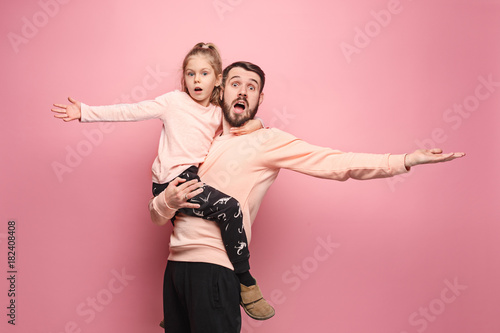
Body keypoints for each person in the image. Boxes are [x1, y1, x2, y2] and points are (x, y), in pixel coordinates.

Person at [150, 61, 465, 332]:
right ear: (221, 92)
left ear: (259, 98)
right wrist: (167, 202)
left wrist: (404, 160)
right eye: (235, 83)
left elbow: (335, 162)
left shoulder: (268, 141)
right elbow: (156, 214)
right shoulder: (200, 140)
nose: (243, 91)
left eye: (252, 86)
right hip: (175, 269)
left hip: (215, 269)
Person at [50, 43, 276, 322]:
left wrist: (259, 123)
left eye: (204, 73)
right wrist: (85, 112)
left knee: (195, 228)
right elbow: (131, 110)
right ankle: (246, 282)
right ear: (184, 79)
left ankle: (178, 314)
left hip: (192, 179)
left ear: (218, 79)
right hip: (171, 183)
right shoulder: (173, 102)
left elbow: (241, 124)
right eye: (190, 74)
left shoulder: (218, 113)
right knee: (229, 209)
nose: (196, 80)